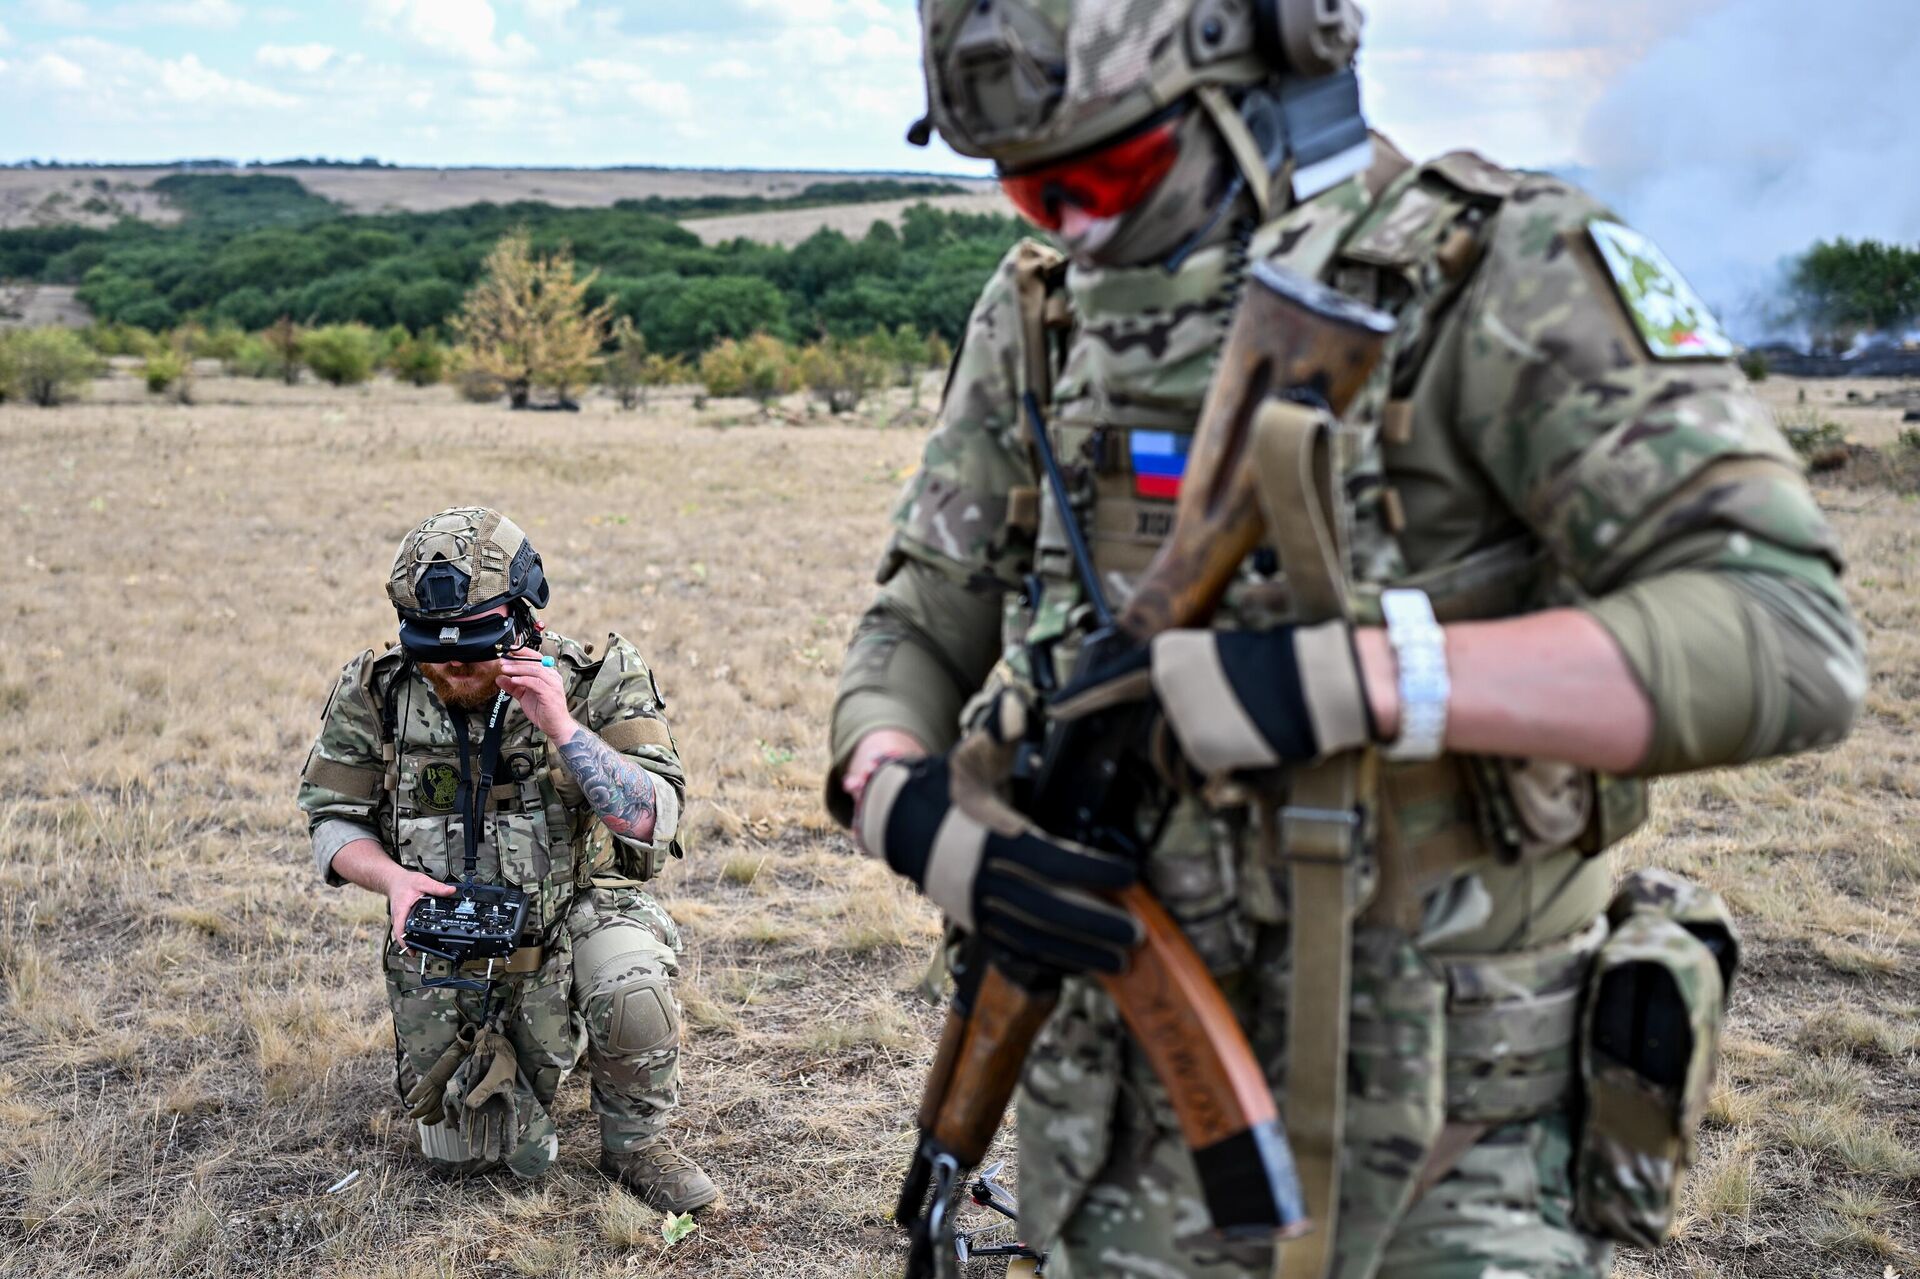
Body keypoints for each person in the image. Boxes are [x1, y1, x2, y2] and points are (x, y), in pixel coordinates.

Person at [828, 3, 1864, 1276]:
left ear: (1278, 67)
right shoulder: (1042, 315)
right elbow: (920, 616)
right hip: (1110, 1140)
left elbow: (1786, 630)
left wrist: (1362, 680)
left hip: (1443, 1156)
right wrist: (906, 804)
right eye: (1035, 196)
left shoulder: (1501, 273)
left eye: (1108, 176)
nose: (1077, 229)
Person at [298, 506, 718, 1213]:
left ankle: (637, 1140)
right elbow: (331, 822)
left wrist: (560, 724)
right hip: (451, 937)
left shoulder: (597, 676)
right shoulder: (376, 689)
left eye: (476, 643)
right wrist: (394, 879)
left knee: (630, 987)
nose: (455, 665)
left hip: (578, 909)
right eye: (434, 647)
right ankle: (539, 1048)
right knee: (468, 1161)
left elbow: (653, 818)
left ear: (522, 617)